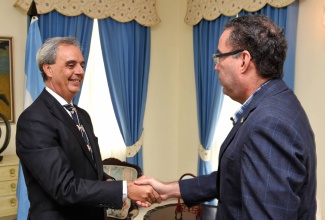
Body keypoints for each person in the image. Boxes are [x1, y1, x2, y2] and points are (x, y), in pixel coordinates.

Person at [136, 14, 317, 219]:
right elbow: (233, 178)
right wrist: (168, 189)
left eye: (219, 56)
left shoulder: (269, 123)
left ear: (243, 60)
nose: (216, 66)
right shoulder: (276, 103)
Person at [16, 37, 160, 220]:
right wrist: (125, 190)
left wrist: (111, 184)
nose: (80, 71)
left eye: (82, 65)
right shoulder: (34, 120)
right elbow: (64, 188)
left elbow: (88, 169)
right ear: (48, 69)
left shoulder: (82, 115)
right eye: (71, 65)